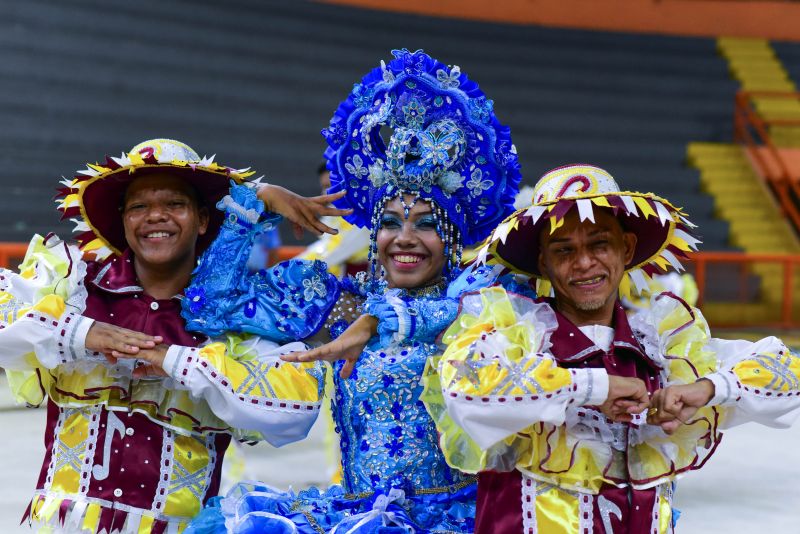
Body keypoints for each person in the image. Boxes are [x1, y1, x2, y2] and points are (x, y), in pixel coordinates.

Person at [182, 49, 521, 533]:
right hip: (362, 516)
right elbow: (211, 306)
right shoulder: (342, 303)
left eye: (426, 225)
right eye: (389, 223)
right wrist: (257, 202)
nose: (404, 238)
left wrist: (391, 320)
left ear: (450, 239)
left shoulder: (481, 302)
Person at [421, 164, 800, 533]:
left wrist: (708, 389)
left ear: (627, 247)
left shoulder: (663, 347)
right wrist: (594, 388)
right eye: (564, 250)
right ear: (544, 263)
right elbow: (464, 387)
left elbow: (789, 375)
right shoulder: (517, 336)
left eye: (599, 243)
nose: (584, 263)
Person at [0, 138, 351, 532]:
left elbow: (294, 413)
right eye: (139, 207)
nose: (156, 217)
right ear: (123, 221)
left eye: (174, 205)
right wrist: (82, 331)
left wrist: (175, 360)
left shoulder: (231, 319)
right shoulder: (73, 284)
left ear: (203, 220)